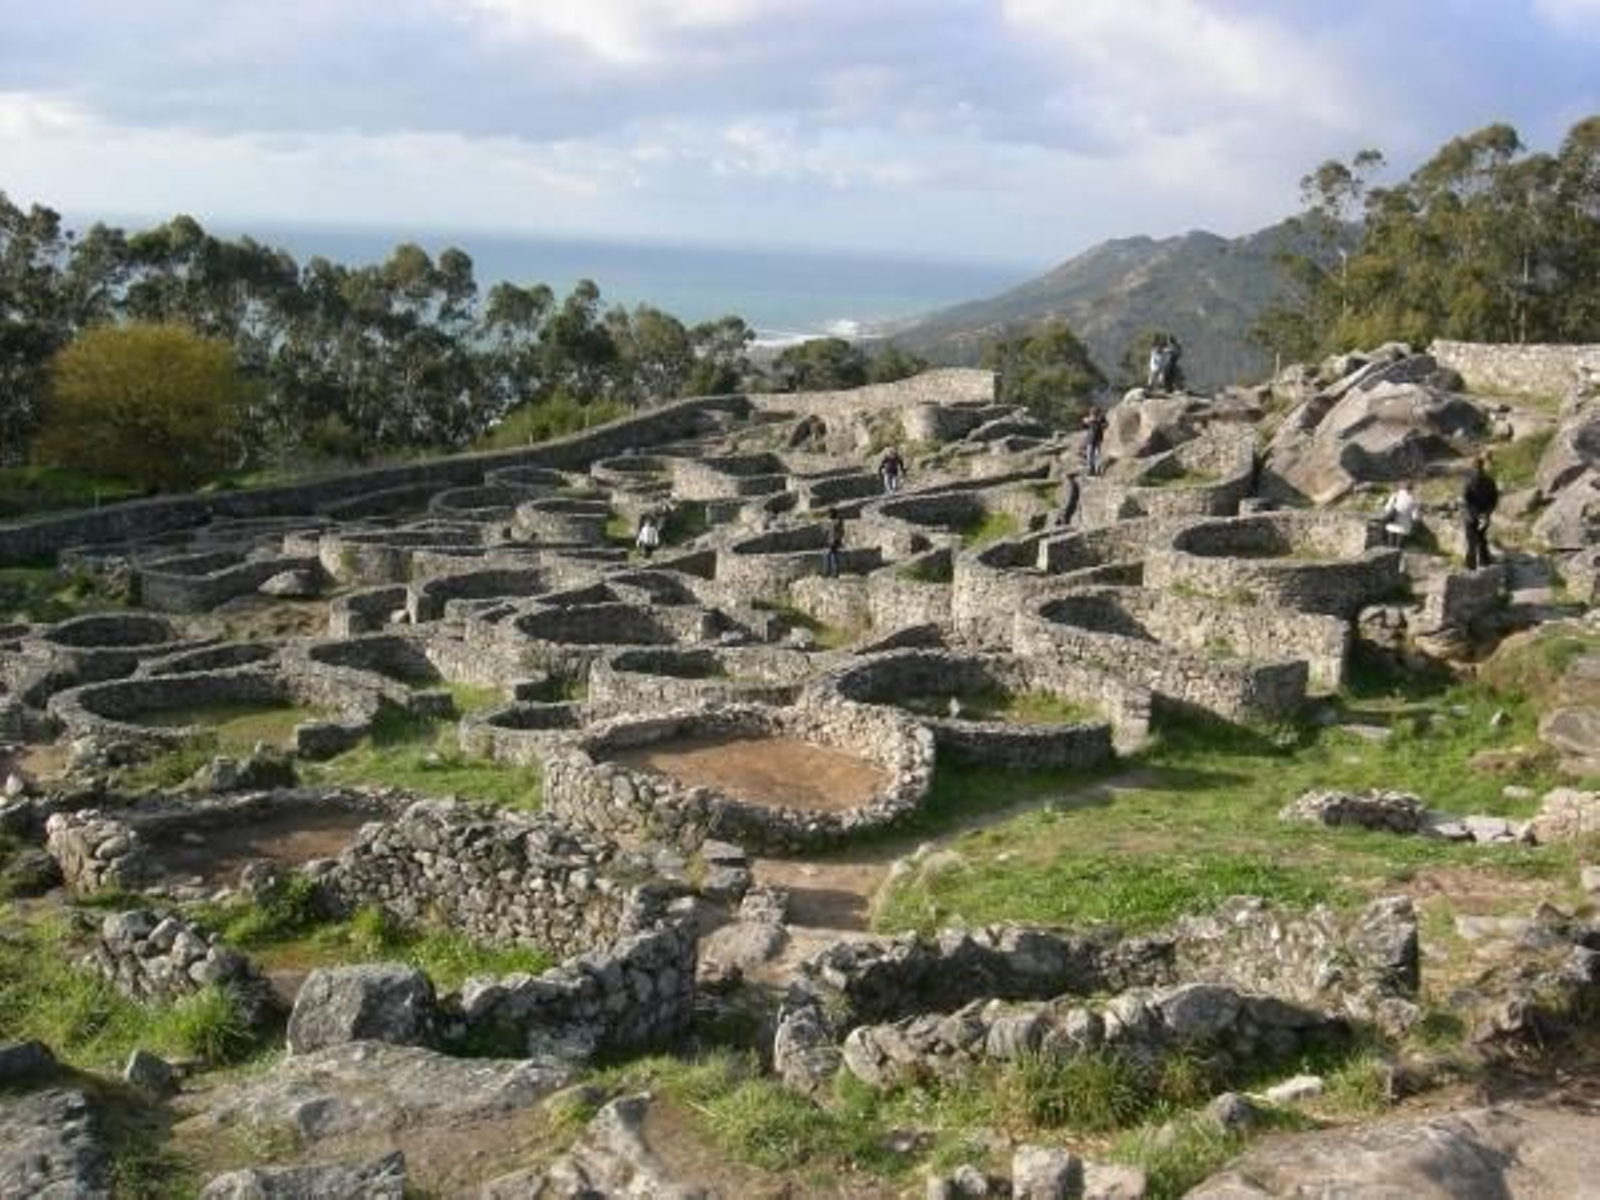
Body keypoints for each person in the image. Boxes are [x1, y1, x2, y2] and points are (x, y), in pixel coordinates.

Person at [1462, 454, 1499, 570]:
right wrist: (1487, 513)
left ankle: (1470, 566)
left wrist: (1472, 513)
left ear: (1473, 466)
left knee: (1471, 541)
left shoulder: (1469, 481)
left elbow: (1466, 499)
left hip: (1471, 516)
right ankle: (1485, 562)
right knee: (1482, 538)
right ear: (1483, 466)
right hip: (1484, 515)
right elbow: (1494, 499)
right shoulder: (1490, 481)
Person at [1381, 481, 1419, 550]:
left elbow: (1387, 508)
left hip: (1392, 524)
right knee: (1399, 549)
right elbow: (1415, 517)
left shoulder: (1395, 495)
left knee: (1390, 548)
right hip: (1403, 527)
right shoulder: (1412, 499)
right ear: (1411, 488)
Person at [1083, 406, 1108, 477]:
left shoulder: (1101, 418)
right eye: (1092, 413)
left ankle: (1097, 469)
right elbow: (1084, 427)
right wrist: (1086, 422)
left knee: (1097, 455)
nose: (1093, 415)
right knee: (1090, 455)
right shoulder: (1089, 419)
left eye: (1094, 413)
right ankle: (1090, 469)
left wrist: (1098, 422)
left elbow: (1106, 425)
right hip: (1090, 439)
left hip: (1097, 438)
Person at [823, 507, 845, 577]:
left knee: (833, 557)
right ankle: (829, 572)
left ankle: (833, 572)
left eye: (829, 513)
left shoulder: (837, 522)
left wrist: (836, 540)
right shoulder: (830, 521)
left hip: (834, 541)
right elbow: (825, 531)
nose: (828, 515)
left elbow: (840, 532)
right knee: (828, 557)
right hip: (829, 541)